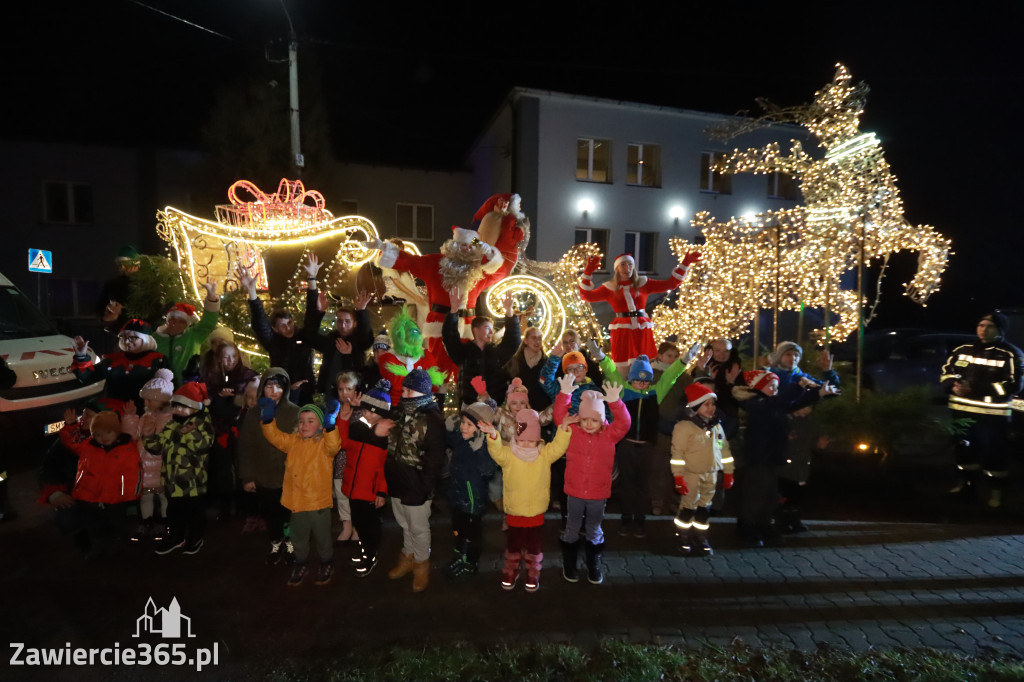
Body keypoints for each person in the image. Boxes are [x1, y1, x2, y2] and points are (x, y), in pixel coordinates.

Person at [366, 226, 504, 377]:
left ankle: (467, 399)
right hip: (440, 325)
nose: (467, 249)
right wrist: (383, 246)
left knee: (467, 372)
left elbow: (500, 272)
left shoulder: (477, 271)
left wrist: (488, 250)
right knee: (438, 372)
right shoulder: (435, 263)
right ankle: (436, 399)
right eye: (463, 244)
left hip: (468, 327)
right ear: (454, 245)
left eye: (471, 246)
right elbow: (409, 261)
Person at [733, 370, 837, 547]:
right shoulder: (754, 402)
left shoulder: (772, 403)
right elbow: (782, 402)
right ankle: (747, 525)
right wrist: (799, 386)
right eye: (771, 385)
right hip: (759, 457)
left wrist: (818, 393)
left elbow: (793, 404)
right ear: (759, 387)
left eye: (776, 385)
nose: (775, 389)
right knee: (756, 493)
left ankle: (763, 524)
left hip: (773, 455)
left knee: (771, 495)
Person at [478, 408, 572, 592]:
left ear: (538, 439)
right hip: (514, 509)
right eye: (522, 440)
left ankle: (533, 571)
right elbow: (496, 452)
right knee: (513, 543)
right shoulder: (509, 455)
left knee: (534, 545)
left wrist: (564, 429)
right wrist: (493, 436)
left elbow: (559, 447)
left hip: (536, 510)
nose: (527, 445)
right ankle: (510, 570)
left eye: (531, 441)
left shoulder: (544, 454)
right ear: (516, 438)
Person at [940, 312, 1024, 508]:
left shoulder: (1011, 354)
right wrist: (952, 385)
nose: (984, 329)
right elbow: (947, 372)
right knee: (964, 450)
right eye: (981, 325)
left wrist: (975, 389)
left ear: (1000, 330)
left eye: (990, 326)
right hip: (961, 412)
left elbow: (1014, 385)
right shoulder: (963, 350)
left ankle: (996, 493)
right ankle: (966, 488)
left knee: (995, 454)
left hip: (993, 416)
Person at [601, 352, 689, 538]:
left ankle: (639, 521)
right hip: (627, 446)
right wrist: (601, 357)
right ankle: (626, 520)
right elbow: (611, 373)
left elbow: (670, 376)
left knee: (643, 486)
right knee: (627, 485)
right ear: (631, 380)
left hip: (648, 448)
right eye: (637, 380)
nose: (641, 384)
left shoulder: (655, 393)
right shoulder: (624, 391)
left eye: (645, 381)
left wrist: (684, 360)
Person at [553, 378, 630, 585]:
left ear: (602, 420)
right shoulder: (573, 432)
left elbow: (624, 423)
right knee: (572, 526)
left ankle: (593, 561)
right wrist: (565, 395)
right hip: (574, 492)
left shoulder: (609, 435)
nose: (588, 424)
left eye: (594, 420)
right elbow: (560, 416)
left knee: (594, 528)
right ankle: (569, 562)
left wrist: (615, 403)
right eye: (585, 419)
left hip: (598, 494)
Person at [260, 399, 342, 587]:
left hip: (318, 503)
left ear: (320, 424)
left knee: (323, 536)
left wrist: (331, 425)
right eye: (302, 421)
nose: (305, 425)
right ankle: (301, 562)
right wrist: (268, 419)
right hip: (296, 502)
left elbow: (334, 445)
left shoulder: (323, 445)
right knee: (298, 536)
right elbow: (274, 437)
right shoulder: (293, 441)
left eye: (311, 421)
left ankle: (326, 562)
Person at [578, 250, 700, 367]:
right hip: (622, 330)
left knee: (645, 367)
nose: (627, 268)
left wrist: (685, 263)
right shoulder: (609, 288)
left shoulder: (643, 283)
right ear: (617, 269)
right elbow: (586, 296)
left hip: (642, 329)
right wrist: (587, 274)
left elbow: (671, 284)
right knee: (623, 368)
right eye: (623, 264)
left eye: (630, 264)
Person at [384, 368, 446, 592]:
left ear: (422, 392)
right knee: (404, 523)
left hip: (417, 485)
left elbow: (435, 460)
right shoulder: (399, 412)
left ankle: (421, 562)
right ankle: (407, 555)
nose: (404, 394)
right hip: (398, 481)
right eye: (404, 389)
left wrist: (424, 487)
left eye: (409, 391)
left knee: (418, 527)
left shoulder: (432, 419)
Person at [238, 256, 325, 406]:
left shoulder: (304, 336)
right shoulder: (273, 342)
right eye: (282, 325)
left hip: (307, 392)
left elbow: (311, 313)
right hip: (282, 392)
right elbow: (261, 324)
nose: (288, 327)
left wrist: (312, 279)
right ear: (275, 329)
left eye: (290, 323)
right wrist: (252, 294)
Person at [142, 381, 214, 556]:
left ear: (195, 408)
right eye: (177, 407)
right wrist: (148, 435)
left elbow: (203, 445)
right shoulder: (171, 425)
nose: (179, 411)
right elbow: (157, 446)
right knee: (174, 513)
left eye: (185, 407)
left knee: (194, 513)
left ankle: (195, 538)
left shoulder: (202, 425)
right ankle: (177, 537)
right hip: (173, 482)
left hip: (192, 483)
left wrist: (189, 433)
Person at [57, 409, 140, 558]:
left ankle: (115, 545)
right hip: (90, 495)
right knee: (94, 524)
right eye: (98, 434)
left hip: (114, 497)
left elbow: (132, 471)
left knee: (115, 523)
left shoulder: (127, 448)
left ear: (116, 431)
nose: (103, 438)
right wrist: (71, 426)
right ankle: (98, 546)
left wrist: (129, 493)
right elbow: (72, 441)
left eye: (108, 432)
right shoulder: (89, 445)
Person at [238, 368, 300, 566]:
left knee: (289, 515)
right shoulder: (253, 414)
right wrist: (247, 476)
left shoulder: (295, 412)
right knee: (271, 515)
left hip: (289, 478)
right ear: (261, 388)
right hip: (263, 476)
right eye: (269, 386)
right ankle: (276, 542)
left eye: (279, 387)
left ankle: (290, 543)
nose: (274, 391)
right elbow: (246, 448)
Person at [335, 379, 394, 578]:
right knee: (359, 522)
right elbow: (344, 444)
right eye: (366, 410)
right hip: (352, 486)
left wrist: (381, 491)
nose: (368, 414)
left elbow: (384, 467)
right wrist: (343, 420)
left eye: (373, 412)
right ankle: (364, 548)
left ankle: (371, 553)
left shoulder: (385, 434)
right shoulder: (359, 427)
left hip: (369, 490)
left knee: (371, 526)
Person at [670, 383, 735, 555]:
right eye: (706, 404)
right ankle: (683, 536)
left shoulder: (717, 426)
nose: (711, 408)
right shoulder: (684, 427)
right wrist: (678, 477)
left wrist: (728, 471)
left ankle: (700, 536)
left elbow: (724, 449)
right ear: (696, 406)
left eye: (713, 404)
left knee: (704, 508)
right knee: (688, 507)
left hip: (711, 474)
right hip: (691, 474)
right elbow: (677, 454)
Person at [443, 399, 499, 581]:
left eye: (469, 425)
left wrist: (479, 451)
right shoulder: (461, 437)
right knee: (457, 529)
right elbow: (449, 440)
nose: (464, 428)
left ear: (481, 427)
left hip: (473, 500)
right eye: (463, 423)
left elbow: (489, 470)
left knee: (471, 533)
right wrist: (449, 428)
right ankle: (459, 556)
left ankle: (470, 562)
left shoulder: (486, 445)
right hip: (457, 495)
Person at [202, 341, 258, 521]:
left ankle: (246, 505)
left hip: (242, 426)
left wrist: (238, 399)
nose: (230, 360)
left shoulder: (248, 376)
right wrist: (219, 397)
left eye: (233, 356)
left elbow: (254, 398)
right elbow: (206, 402)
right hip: (219, 428)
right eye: (225, 356)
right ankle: (225, 505)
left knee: (243, 464)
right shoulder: (211, 376)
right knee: (222, 468)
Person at [120, 368, 175, 543]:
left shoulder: (170, 419)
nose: (146, 402)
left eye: (149, 399)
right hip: (143, 465)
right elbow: (133, 434)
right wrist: (130, 417)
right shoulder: (146, 416)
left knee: (164, 496)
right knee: (146, 496)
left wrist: (153, 433)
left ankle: (165, 522)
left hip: (161, 466)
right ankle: (146, 522)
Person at [442, 286, 520, 406]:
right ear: (476, 330)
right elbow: (450, 337)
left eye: (492, 329)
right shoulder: (463, 352)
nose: (491, 332)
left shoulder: (496, 352)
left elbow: (513, 341)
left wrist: (509, 312)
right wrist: (453, 311)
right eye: (487, 328)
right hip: (470, 406)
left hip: (494, 406)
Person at [70, 319, 166, 412]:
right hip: (115, 414)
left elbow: (169, 388)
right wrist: (81, 356)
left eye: (132, 338)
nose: (126, 342)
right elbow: (88, 377)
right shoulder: (112, 360)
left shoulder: (158, 360)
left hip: (147, 414)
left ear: (145, 339)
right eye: (123, 337)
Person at [155, 281, 222, 385]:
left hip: (187, 389)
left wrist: (211, 297)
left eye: (181, 321)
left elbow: (209, 322)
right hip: (159, 389)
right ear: (167, 320)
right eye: (172, 319)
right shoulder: (154, 338)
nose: (175, 323)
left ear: (187, 324)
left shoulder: (194, 335)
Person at [377, 308, 445, 405]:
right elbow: (397, 385)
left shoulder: (426, 356)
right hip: (397, 407)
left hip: (423, 407)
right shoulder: (387, 358)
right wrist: (423, 382)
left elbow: (434, 384)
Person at [313, 291, 374, 396]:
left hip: (352, 392)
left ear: (355, 323)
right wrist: (319, 312)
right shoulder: (332, 338)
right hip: (330, 391)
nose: (343, 325)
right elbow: (310, 337)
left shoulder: (359, 340)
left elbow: (366, 337)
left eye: (347, 321)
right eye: (340, 321)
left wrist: (361, 311)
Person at [332, 371, 362, 543]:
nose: (344, 393)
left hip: (356, 459)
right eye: (341, 389)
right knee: (341, 493)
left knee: (356, 495)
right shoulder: (335, 409)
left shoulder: (361, 410)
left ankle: (358, 526)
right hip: (340, 460)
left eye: (348, 389)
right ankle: (347, 525)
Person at [503, 326, 552, 412]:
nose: (537, 341)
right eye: (533, 338)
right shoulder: (515, 361)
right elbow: (503, 382)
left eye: (539, 338)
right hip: (518, 412)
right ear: (525, 340)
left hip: (541, 413)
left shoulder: (547, 363)